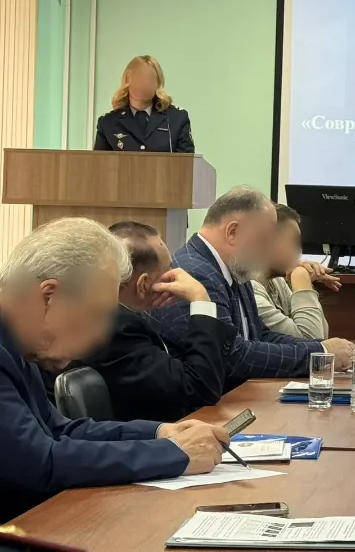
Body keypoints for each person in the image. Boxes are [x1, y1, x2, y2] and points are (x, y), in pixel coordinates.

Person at [0, 218, 228, 523]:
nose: (99, 336)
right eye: (95, 315)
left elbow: (60, 430)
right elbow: (39, 463)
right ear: (48, 297)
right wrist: (174, 453)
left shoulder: (19, 343)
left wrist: (160, 433)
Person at [150, 187, 353, 386]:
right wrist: (319, 353)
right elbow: (231, 357)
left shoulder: (234, 270)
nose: (267, 251)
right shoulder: (195, 273)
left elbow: (259, 336)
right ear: (232, 232)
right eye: (263, 240)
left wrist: (322, 347)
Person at [76, 222, 237, 422]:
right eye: (169, 270)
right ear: (143, 284)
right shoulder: (118, 330)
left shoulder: (128, 318)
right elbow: (200, 388)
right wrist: (201, 300)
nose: (180, 277)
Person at [254, 204, 340, 340]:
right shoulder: (250, 292)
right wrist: (301, 278)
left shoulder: (278, 283)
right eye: (293, 242)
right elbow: (312, 342)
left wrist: (306, 283)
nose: (298, 252)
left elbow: (322, 334)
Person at [93, 55, 193, 153]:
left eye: (149, 78)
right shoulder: (108, 123)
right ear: (127, 81)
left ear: (158, 83)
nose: (143, 83)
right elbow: (99, 162)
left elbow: (188, 162)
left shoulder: (176, 119)